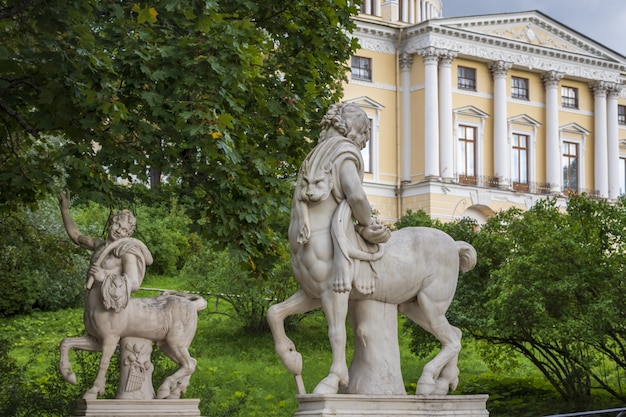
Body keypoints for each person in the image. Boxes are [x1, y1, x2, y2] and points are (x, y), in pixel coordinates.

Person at [58, 192, 152, 295]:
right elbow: (76, 236)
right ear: (111, 223)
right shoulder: (99, 245)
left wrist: (104, 276)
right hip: (91, 304)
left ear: (128, 234)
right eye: (117, 225)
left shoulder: (126, 252)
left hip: (109, 306)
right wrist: (65, 210)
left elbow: (133, 284)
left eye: (124, 230)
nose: (119, 231)